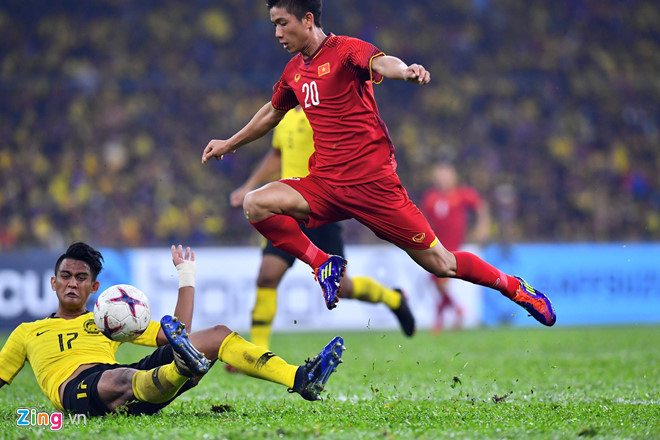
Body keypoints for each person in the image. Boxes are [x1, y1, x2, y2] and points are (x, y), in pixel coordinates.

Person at [201, 0, 555, 327]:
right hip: (323, 184)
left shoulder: (346, 51)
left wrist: (406, 71)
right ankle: (322, 263)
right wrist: (229, 143)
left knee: (442, 264)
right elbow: (270, 114)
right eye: (274, 25)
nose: (277, 33)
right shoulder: (294, 70)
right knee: (255, 204)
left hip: (374, 188)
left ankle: (514, 288)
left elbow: (382, 63)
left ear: (308, 20)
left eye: (282, 23)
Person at [0, 242, 345, 416]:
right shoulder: (27, 332)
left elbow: (179, 333)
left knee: (216, 336)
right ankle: (183, 369)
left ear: (94, 287)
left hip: (125, 380)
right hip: (80, 392)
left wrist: (186, 276)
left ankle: (300, 379)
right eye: (65, 276)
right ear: (53, 282)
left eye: (81, 278)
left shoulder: (107, 319)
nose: (72, 284)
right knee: (122, 379)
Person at [230, 106, 415, 349]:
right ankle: (258, 354)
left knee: (344, 288)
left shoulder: (321, 108)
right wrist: (250, 185)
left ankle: (394, 298)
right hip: (284, 206)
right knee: (267, 276)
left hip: (319, 206)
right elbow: (277, 153)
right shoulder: (282, 113)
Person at [420, 161, 491, 332]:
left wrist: (483, 226)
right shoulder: (431, 198)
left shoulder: (462, 194)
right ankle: (455, 311)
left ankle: (440, 320)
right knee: (437, 281)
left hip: (453, 245)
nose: (442, 178)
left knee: (440, 280)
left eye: (446, 174)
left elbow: (481, 206)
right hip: (436, 244)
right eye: (439, 174)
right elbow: (422, 220)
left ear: (453, 176)